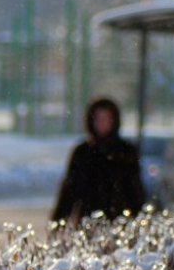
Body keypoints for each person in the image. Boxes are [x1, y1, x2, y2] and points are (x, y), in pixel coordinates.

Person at [50, 97, 145, 227]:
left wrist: (138, 220)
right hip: (88, 223)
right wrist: (58, 223)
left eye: (106, 119)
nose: (102, 123)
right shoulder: (83, 153)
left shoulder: (126, 152)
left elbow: (135, 190)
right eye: (98, 119)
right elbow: (70, 191)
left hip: (120, 223)